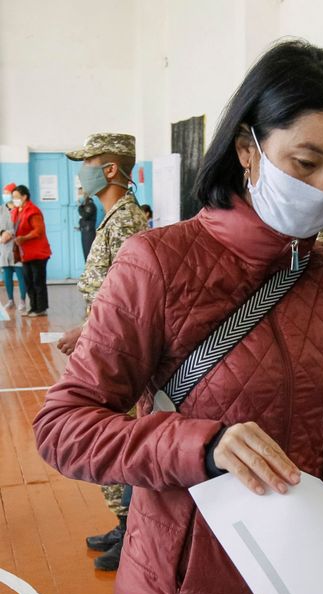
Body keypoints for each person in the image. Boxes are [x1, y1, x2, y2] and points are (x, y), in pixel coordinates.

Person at [34, 40, 323, 594]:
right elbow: (63, 427)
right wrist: (203, 444)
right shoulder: (158, 261)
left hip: (307, 591)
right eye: (306, 163)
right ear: (246, 150)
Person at [57, 132, 148, 571]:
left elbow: (128, 299)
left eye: (88, 162)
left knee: (117, 440)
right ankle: (123, 523)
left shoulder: (128, 220)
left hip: (119, 350)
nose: (82, 172)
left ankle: (134, 532)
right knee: (110, 437)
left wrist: (85, 332)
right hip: (105, 345)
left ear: (110, 169)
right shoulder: (113, 217)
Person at [11, 185, 51, 317]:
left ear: (24, 197)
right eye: (13, 197)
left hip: (38, 253)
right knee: (28, 281)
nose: (14, 200)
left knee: (38, 281)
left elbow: (38, 231)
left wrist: (24, 238)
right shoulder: (17, 211)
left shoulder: (33, 210)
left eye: (17, 197)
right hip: (25, 254)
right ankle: (33, 307)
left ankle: (41, 308)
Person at [1, 183, 26, 311]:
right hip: (4, 249)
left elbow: (23, 226)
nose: (4, 195)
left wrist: (10, 233)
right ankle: (11, 300)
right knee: (7, 277)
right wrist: (2, 234)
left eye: (7, 192)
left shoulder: (21, 209)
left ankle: (22, 300)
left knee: (21, 276)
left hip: (17, 249)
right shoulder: (1, 209)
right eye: (3, 192)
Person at [78, 195, 97, 260]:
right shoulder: (86, 205)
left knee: (88, 254)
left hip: (88, 234)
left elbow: (85, 215)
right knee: (86, 254)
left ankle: (89, 270)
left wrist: (80, 207)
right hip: (85, 232)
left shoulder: (90, 205)